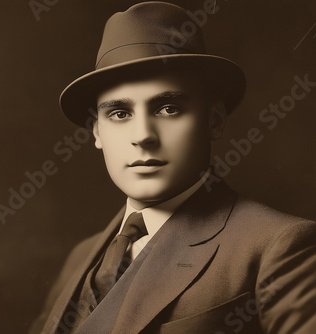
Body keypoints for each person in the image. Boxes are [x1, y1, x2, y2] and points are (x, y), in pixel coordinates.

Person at [30, 2, 316, 333]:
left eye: (168, 108)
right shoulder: (80, 257)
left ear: (214, 120)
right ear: (97, 132)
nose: (143, 136)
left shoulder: (279, 246)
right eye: (120, 114)